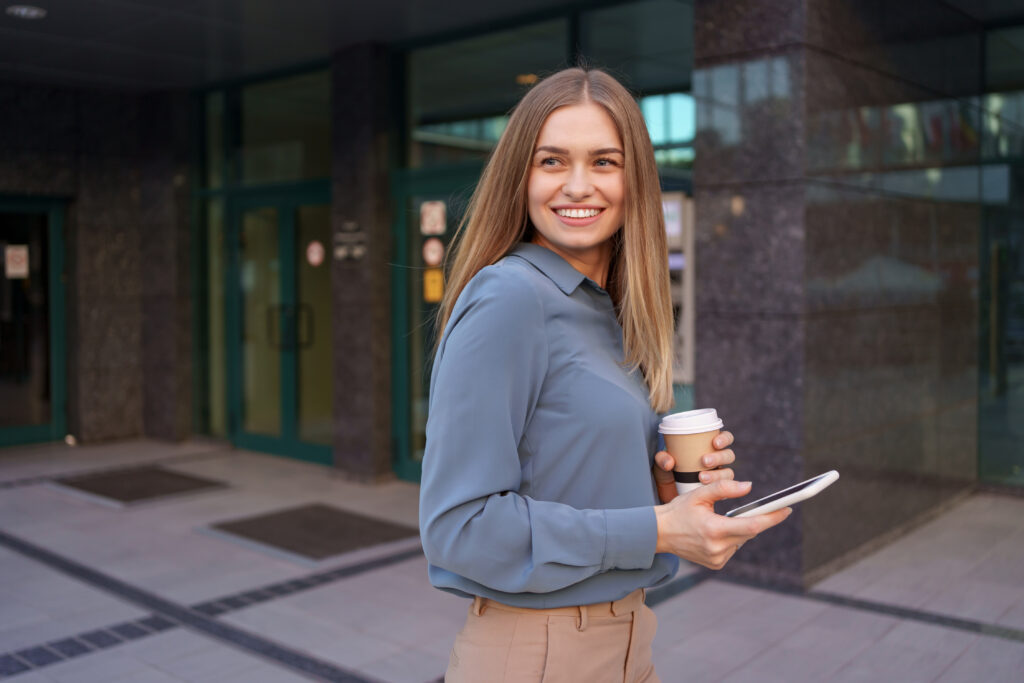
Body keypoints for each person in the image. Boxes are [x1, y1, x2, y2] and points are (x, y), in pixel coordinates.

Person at [419, 67, 792, 683]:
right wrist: (657, 530)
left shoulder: (605, 307)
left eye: (604, 162)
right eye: (552, 161)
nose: (577, 185)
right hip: (539, 653)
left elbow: (567, 479)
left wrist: (665, 490)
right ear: (522, 175)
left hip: (624, 641)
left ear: (633, 179)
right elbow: (459, 528)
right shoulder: (509, 297)